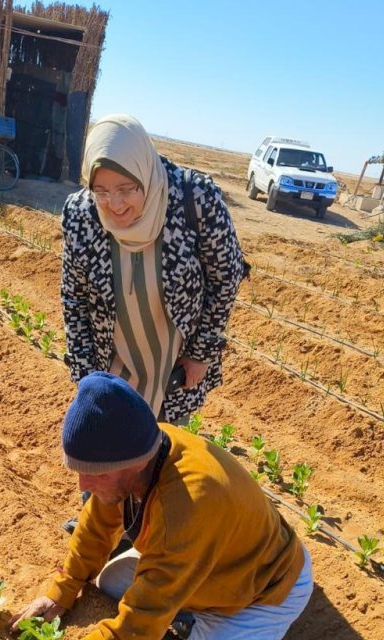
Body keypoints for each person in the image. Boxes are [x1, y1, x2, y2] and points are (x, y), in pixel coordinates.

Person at [0, 373, 313, 640]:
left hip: (259, 590)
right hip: (207, 568)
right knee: (110, 581)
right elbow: (96, 523)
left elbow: (136, 628)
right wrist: (63, 588)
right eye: (80, 472)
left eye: (94, 475)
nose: (82, 486)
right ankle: (194, 618)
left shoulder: (187, 505)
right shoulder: (140, 449)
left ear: (134, 463)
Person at [61, 114, 248, 426]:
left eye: (126, 188)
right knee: (114, 460)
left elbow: (226, 275)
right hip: (111, 371)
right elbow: (74, 299)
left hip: (173, 372)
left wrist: (201, 353)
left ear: (143, 173)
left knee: (166, 457)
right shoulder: (81, 215)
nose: (114, 204)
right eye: (101, 191)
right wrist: (87, 379)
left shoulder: (195, 199)